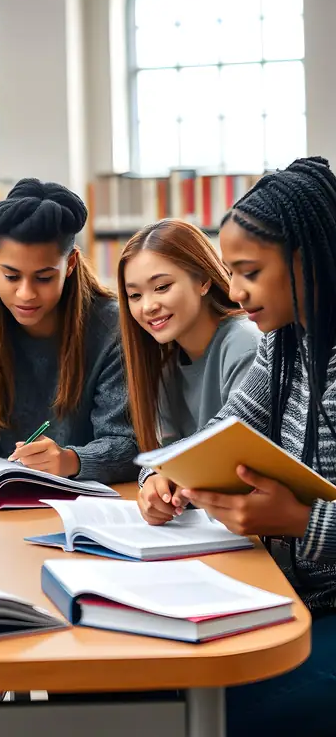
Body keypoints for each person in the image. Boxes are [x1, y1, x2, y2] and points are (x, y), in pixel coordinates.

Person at [121, 157, 336, 737]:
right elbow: (219, 430)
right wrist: (163, 474)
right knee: (145, 693)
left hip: (315, 611)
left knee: (161, 727)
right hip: (294, 600)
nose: (234, 291)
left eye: (248, 272)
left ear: (310, 261)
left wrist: (300, 522)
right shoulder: (286, 343)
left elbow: (305, 517)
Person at [0, 178, 138, 483]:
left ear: (71, 264)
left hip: (87, 502)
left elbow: (128, 443)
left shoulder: (111, 328)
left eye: (43, 278)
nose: (26, 294)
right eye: (11, 276)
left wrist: (70, 460)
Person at [118, 219, 259, 524]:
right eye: (135, 295)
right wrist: (153, 483)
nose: (148, 306)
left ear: (203, 281)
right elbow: (163, 457)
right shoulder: (165, 365)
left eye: (162, 287)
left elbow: (233, 455)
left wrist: (168, 469)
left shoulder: (244, 342)